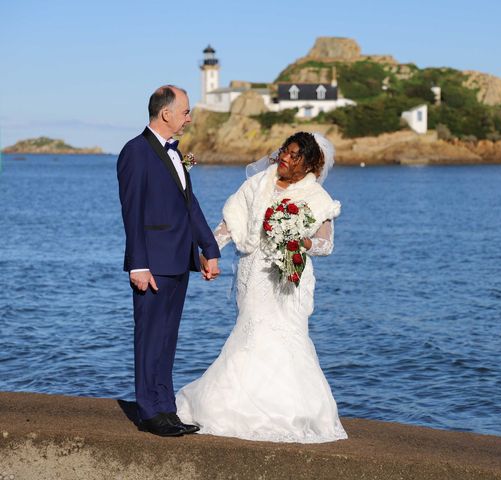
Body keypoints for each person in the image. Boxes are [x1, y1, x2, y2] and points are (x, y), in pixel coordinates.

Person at [176, 131, 347, 443]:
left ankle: (294, 413)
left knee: (288, 338)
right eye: (285, 150)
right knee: (251, 335)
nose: (284, 157)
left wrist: (301, 239)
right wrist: (210, 253)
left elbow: (325, 244)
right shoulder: (256, 184)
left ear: (309, 165)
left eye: (294, 155)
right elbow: (230, 223)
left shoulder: (317, 199)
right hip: (255, 273)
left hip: (290, 278)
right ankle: (232, 408)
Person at [117, 85, 221, 437]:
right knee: (149, 337)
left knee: (167, 339)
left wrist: (210, 250)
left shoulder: (177, 155)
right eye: (186, 111)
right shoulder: (135, 152)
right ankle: (149, 411)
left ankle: (166, 408)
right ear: (166, 114)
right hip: (153, 264)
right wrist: (137, 264)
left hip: (180, 260)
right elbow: (132, 213)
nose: (189, 118)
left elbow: (190, 207)